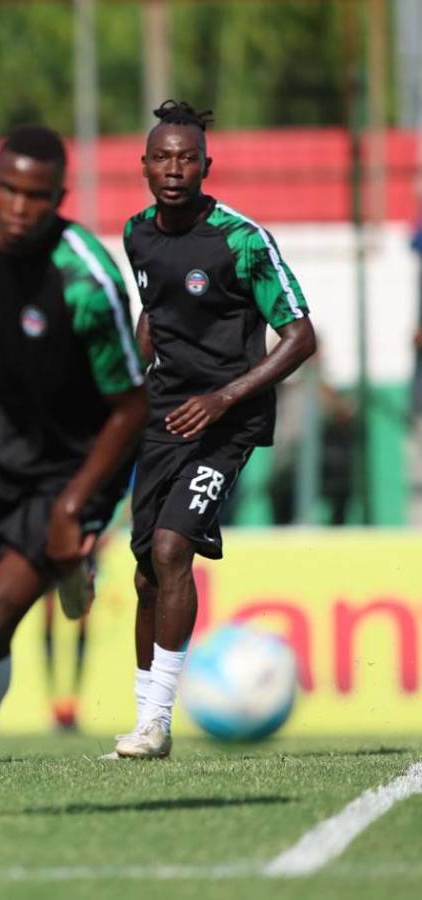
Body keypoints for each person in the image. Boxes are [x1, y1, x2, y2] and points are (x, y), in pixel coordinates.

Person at [0, 125, 147, 823]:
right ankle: (65, 567)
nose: (17, 207)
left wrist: (75, 503)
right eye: (6, 190)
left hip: (75, 467)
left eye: (34, 196)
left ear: (58, 200)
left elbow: (131, 409)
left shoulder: (88, 280)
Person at [113, 101, 315, 759]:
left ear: (206, 165)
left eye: (187, 158)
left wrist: (225, 396)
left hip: (228, 421)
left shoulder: (241, 240)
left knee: (173, 550)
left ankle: (158, 721)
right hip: (162, 416)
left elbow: (299, 337)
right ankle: (144, 719)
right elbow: (156, 314)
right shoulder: (137, 232)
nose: (175, 169)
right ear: (145, 165)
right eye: (163, 158)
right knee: (146, 569)